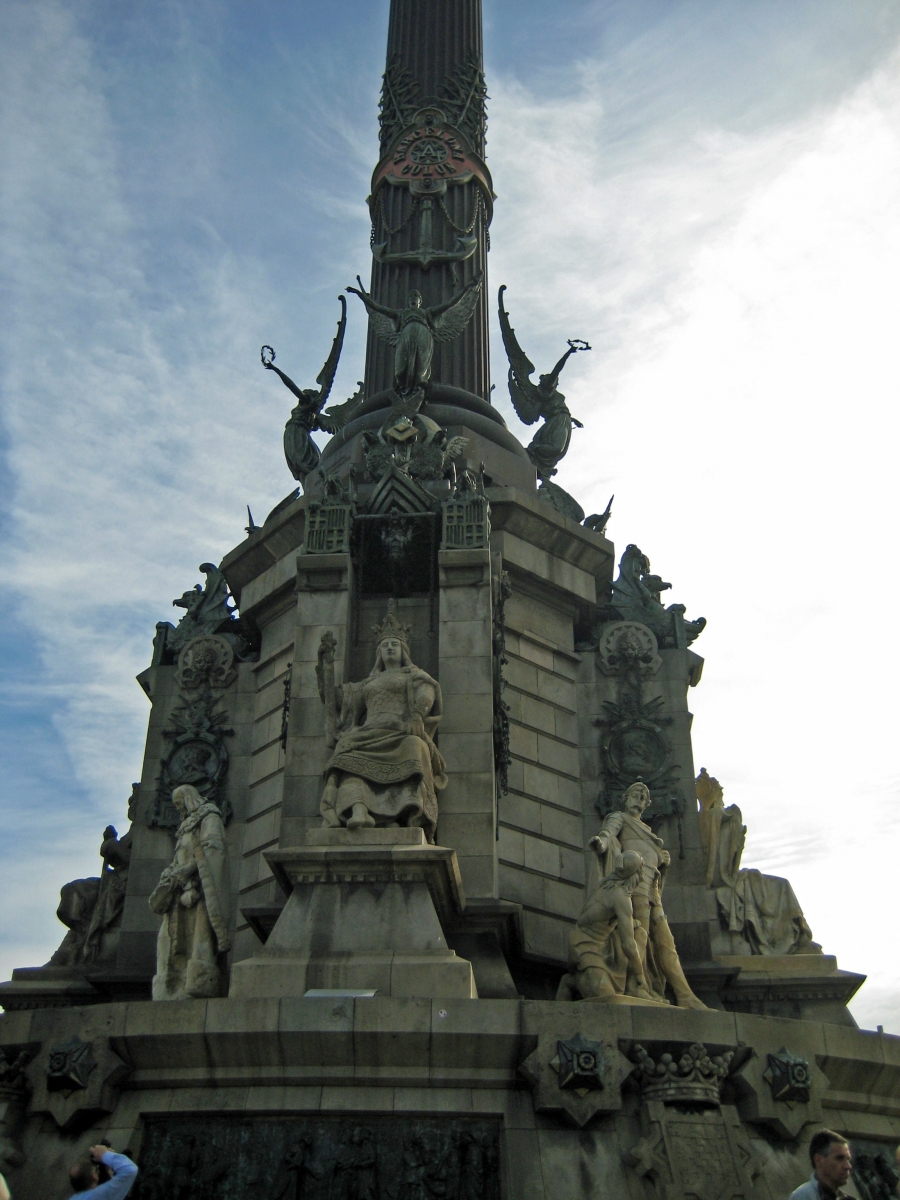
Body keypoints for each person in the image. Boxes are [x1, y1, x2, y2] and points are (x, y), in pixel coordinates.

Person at [593, 781, 705, 1009]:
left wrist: (663, 861)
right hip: (633, 889)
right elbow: (607, 834)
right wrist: (601, 844)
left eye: (643, 798)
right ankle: (636, 984)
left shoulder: (647, 831)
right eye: (635, 795)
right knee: (640, 938)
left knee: (666, 942)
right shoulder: (619, 818)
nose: (639, 800)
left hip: (652, 891)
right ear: (626, 797)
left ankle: (685, 995)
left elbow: (653, 863)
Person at [789, 1130, 852, 1198]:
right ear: (818, 1161)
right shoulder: (803, 1196)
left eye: (848, 1159)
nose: (848, 1166)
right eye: (839, 1158)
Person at [68, 1145, 138, 1197]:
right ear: (95, 1176)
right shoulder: (97, 1196)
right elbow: (130, 1170)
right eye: (96, 1170)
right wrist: (105, 1155)